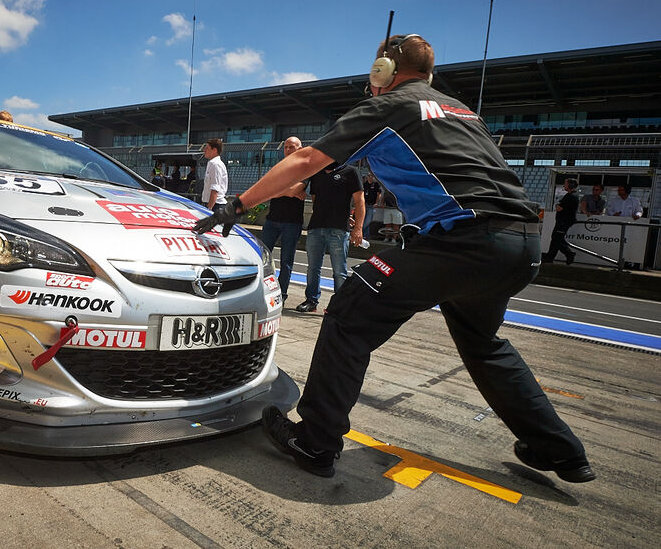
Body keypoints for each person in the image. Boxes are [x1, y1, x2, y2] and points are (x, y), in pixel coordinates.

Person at [194, 33, 593, 483]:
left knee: (348, 315)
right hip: (521, 244)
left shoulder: (389, 106)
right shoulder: (464, 111)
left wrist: (237, 206)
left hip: (460, 242)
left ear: (383, 71)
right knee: (483, 343)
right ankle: (561, 449)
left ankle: (316, 441)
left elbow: (306, 159)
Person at [293, 160, 364, 313]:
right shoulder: (317, 172)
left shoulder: (350, 171)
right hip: (316, 228)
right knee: (313, 268)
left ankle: (339, 306)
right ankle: (311, 301)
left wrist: (358, 228)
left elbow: (360, 201)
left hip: (338, 229)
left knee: (339, 271)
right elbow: (315, 198)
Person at [260, 137, 305, 304]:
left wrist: (278, 189)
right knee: (262, 257)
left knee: (286, 261)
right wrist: (286, 190)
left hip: (292, 222)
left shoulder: (304, 170)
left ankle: (282, 294)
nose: (288, 150)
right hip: (272, 220)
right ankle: (261, 289)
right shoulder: (277, 167)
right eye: (286, 147)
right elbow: (268, 190)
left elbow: (295, 190)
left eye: (292, 147)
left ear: (300, 149)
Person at [542, 178, 579, 265]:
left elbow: (559, 208)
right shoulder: (570, 195)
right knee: (557, 238)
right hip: (563, 221)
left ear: (570, 185)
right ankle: (565, 254)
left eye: (565, 184)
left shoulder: (571, 196)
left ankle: (556, 256)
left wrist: (558, 205)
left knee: (556, 238)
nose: (564, 185)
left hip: (564, 221)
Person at [201, 138, 227, 211]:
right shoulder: (212, 163)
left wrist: (209, 208)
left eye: (207, 148)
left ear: (214, 150)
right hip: (213, 205)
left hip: (215, 206)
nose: (204, 150)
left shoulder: (215, 164)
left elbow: (215, 189)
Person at [361, 170, 381, 236]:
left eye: (372, 176)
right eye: (369, 176)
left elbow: (379, 194)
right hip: (364, 205)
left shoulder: (376, 185)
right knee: (364, 220)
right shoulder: (365, 184)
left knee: (368, 221)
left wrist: (376, 203)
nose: (370, 177)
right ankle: (365, 235)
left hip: (371, 205)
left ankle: (361, 231)